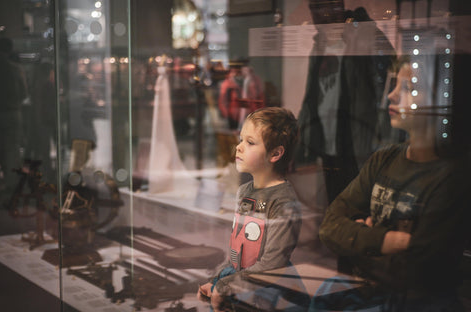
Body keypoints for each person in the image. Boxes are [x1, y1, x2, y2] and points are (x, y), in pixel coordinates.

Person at [315, 56, 471, 311]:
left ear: (441, 100)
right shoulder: (384, 159)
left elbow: (419, 267)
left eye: (410, 88)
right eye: (396, 86)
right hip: (368, 295)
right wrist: (389, 239)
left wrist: (361, 238)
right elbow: (329, 226)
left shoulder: (454, 174)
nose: (392, 96)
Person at [197, 107, 302, 311]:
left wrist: (224, 287)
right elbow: (235, 251)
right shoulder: (245, 190)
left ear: (275, 153)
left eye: (250, 143)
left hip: (265, 292)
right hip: (239, 283)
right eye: (241, 139)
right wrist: (216, 280)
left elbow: (272, 265)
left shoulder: (283, 203)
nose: (239, 147)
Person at [295, 0, 395, 205]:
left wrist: (383, 138)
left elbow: (389, 87)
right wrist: (299, 144)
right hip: (327, 141)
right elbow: (311, 97)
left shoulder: (365, 35)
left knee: (359, 204)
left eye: (323, 6)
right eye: (313, 8)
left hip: (358, 141)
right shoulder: (319, 45)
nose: (317, 15)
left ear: (338, 6)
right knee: (335, 204)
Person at [0, 37, 27, 193]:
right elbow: (24, 93)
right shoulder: (15, 68)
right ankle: (11, 184)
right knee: (11, 150)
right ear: (10, 49)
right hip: (12, 113)